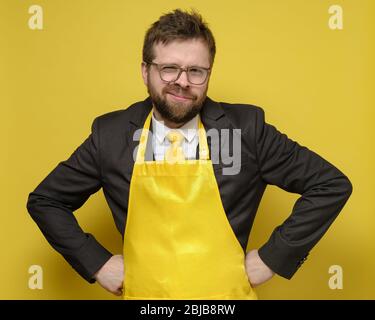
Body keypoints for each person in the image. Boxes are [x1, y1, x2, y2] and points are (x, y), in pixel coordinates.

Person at [26, 9, 352, 300]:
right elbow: (46, 200)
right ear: (145, 71)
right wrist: (97, 263)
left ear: (208, 73)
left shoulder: (247, 129)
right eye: (169, 69)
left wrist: (273, 257)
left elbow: (330, 185)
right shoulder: (109, 135)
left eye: (196, 71)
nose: (182, 82)